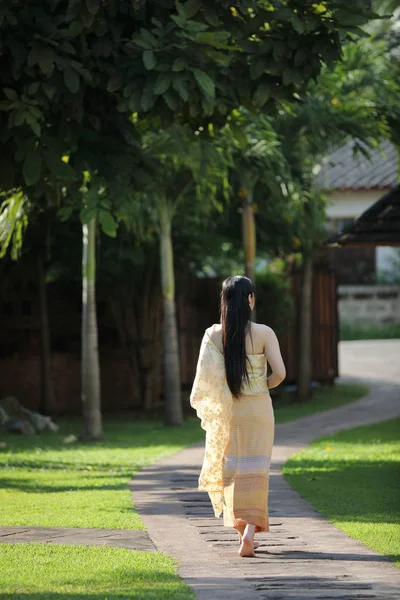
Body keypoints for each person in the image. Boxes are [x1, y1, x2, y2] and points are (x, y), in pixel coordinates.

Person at [190, 275, 286, 557]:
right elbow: (280, 374)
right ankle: (248, 534)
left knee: (231, 471)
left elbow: (205, 380)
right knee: (257, 470)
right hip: (259, 411)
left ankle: (239, 530)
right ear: (250, 300)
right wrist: (260, 386)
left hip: (230, 411)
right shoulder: (265, 333)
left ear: (225, 301)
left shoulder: (214, 335)